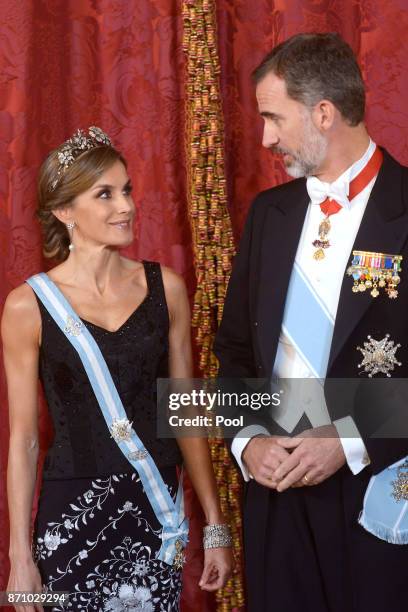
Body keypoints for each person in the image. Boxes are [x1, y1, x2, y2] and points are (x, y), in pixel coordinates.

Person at [214, 33, 408, 611]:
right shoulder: (268, 215)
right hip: (275, 499)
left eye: (273, 117)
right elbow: (234, 355)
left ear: (323, 112)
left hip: (380, 493)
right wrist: (246, 442)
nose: (265, 137)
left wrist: (347, 438)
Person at [3, 126, 233, 612]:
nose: (125, 206)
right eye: (104, 195)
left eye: (126, 190)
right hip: (71, 519)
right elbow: (24, 440)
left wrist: (214, 525)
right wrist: (19, 560)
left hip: (157, 516)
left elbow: (186, 411)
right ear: (65, 212)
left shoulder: (166, 288)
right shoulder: (27, 307)